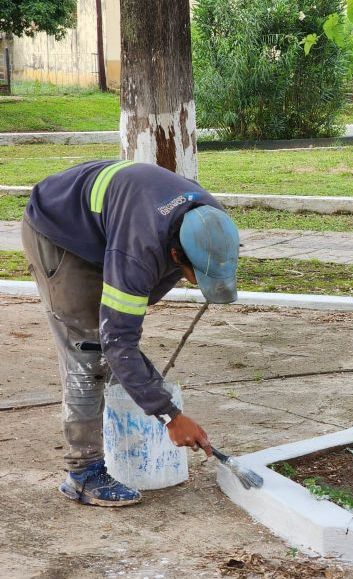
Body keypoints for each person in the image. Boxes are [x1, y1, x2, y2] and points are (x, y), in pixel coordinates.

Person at [21, 159, 240, 507]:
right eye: (197, 275)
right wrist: (170, 416)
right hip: (58, 230)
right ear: (173, 254)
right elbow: (116, 337)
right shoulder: (139, 248)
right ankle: (83, 474)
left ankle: (120, 392)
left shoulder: (211, 219)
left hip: (106, 226)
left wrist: (134, 368)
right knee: (89, 348)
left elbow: (129, 319)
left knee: (112, 347)